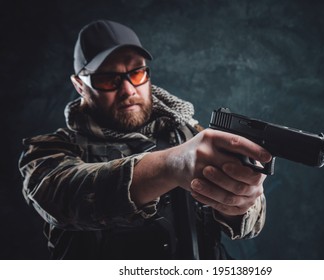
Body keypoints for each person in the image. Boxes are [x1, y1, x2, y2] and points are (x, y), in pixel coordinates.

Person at [18, 19, 271, 260]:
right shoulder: (49, 151)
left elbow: (250, 224)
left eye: (137, 73)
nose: (128, 90)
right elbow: (63, 197)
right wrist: (171, 165)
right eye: (108, 79)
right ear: (79, 86)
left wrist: (239, 201)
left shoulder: (189, 134)